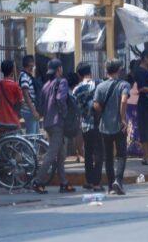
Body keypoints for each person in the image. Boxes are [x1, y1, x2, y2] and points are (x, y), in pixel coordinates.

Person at [33, 59, 76, 194]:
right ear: (59, 69)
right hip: (58, 123)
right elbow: (60, 99)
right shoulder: (62, 81)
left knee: (61, 154)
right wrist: (64, 114)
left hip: (48, 123)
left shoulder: (46, 85)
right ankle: (38, 181)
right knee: (52, 154)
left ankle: (63, 182)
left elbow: (41, 104)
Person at [93, 59, 131, 195]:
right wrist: (122, 118)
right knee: (121, 155)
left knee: (108, 157)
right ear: (119, 70)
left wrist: (104, 113)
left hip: (104, 126)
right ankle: (118, 181)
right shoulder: (124, 85)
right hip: (119, 126)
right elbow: (124, 100)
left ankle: (110, 186)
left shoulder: (100, 87)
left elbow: (96, 105)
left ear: (107, 71)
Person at [73, 62, 103, 190]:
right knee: (99, 153)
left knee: (88, 153)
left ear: (79, 75)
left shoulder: (76, 89)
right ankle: (96, 182)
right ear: (90, 72)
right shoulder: (99, 83)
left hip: (85, 124)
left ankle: (89, 181)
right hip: (99, 123)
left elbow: (75, 108)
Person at [18, 55, 42, 135]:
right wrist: (34, 111)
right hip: (29, 110)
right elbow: (25, 94)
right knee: (32, 135)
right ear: (30, 64)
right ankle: (30, 148)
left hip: (30, 109)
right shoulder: (24, 76)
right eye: (33, 63)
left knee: (36, 135)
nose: (34, 65)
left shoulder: (27, 76)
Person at [0, 59, 23, 130]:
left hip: (1, 122)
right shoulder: (15, 86)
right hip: (13, 121)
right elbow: (21, 102)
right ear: (13, 70)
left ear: (2, 71)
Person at [124, 60, 143, 157]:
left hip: (131, 105)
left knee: (132, 126)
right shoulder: (134, 78)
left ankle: (133, 148)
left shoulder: (128, 78)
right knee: (133, 127)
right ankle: (133, 149)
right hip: (132, 105)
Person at [66, 72, 85, 163]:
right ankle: (80, 154)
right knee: (78, 134)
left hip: (65, 119)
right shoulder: (73, 93)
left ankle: (77, 155)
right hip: (71, 119)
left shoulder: (65, 91)